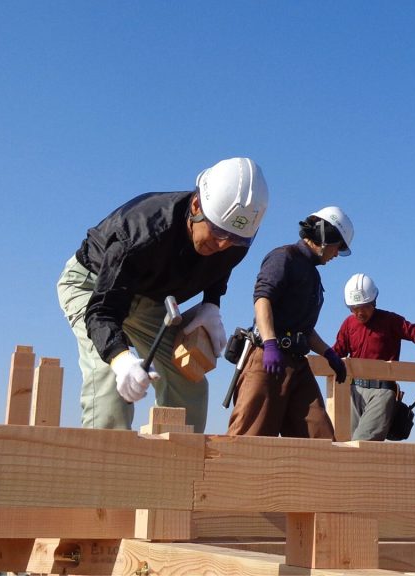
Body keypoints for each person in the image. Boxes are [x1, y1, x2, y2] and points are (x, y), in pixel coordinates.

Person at [57, 157, 269, 432]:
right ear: (196, 206)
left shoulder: (235, 237)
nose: (222, 245)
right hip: (92, 284)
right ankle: (104, 467)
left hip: (147, 296)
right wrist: (120, 359)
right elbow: (103, 312)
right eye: (217, 232)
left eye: (234, 239)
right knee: (108, 377)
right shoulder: (139, 235)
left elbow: (221, 265)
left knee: (188, 378)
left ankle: (180, 467)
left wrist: (211, 304)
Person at [226, 206, 354, 439]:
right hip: (268, 361)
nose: (337, 254)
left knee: (320, 438)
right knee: (250, 440)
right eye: (339, 247)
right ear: (327, 237)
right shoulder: (284, 257)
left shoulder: (313, 275)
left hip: (296, 363)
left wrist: (329, 354)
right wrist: (271, 344)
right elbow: (262, 299)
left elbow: (304, 329)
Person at [332, 273, 415, 441]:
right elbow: (337, 351)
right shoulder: (349, 324)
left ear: (374, 302)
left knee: (362, 442)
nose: (359, 312)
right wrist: (319, 359)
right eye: (354, 308)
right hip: (354, 390)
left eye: (364, 307)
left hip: (382, 390)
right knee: (344, 442)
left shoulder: (390, 321)